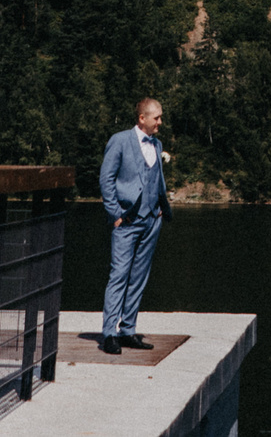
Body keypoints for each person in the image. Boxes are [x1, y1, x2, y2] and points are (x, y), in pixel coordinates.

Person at [98, 98, 171, 354]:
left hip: (152, 220)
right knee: (118, 275)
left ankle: (128, 330)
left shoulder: (157, 143)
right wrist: (115, 213)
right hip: (126, 221)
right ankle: (109, 334)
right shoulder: (120, 140)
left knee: (139, 277)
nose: (160, 122)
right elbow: (106, 178)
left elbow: (156, 178)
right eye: (156, 118)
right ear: (142, 118)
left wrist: (161, 208)